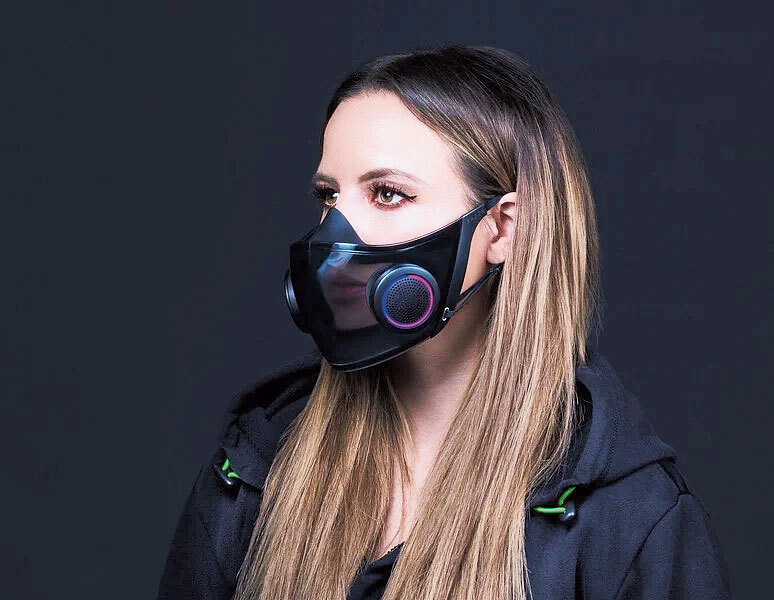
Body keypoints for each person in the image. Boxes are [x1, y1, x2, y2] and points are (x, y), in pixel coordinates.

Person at [157, 45, 732, 599]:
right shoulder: (253, 475)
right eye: (329, 197)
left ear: (503, 229)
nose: (333, 237)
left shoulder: (627, 520)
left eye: (388, 194)